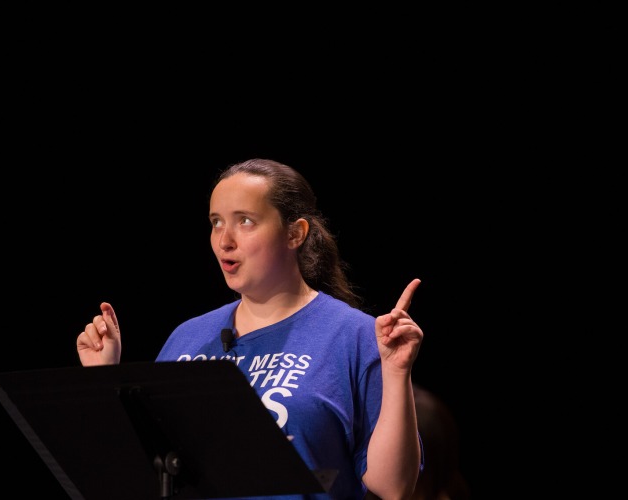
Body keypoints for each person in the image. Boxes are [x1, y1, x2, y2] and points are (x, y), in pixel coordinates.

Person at [76, 158, 425, 499]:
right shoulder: (187, 337)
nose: (224, 241)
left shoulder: (353, 334)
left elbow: (393, 487)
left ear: (295, 233)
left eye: (245, 221)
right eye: (216, 222)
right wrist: (103, 381)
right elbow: (140, 470)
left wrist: (397, 373)